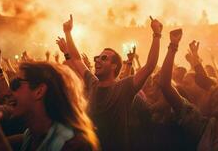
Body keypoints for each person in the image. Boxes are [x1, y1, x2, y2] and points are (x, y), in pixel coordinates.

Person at [0, 48, 99, 151]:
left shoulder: (74, 144)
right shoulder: (31, 135)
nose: (10, 91)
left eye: (16, 84)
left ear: (39, 91)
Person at [60, 14, 162, 150]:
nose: (97, 60)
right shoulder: (93, 84)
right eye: (97, 57)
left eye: (104, 58)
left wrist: (157, 34)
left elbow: (150, 66)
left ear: (114, 66)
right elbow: (77, 60)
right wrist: (68, 32)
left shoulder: (124, 87)